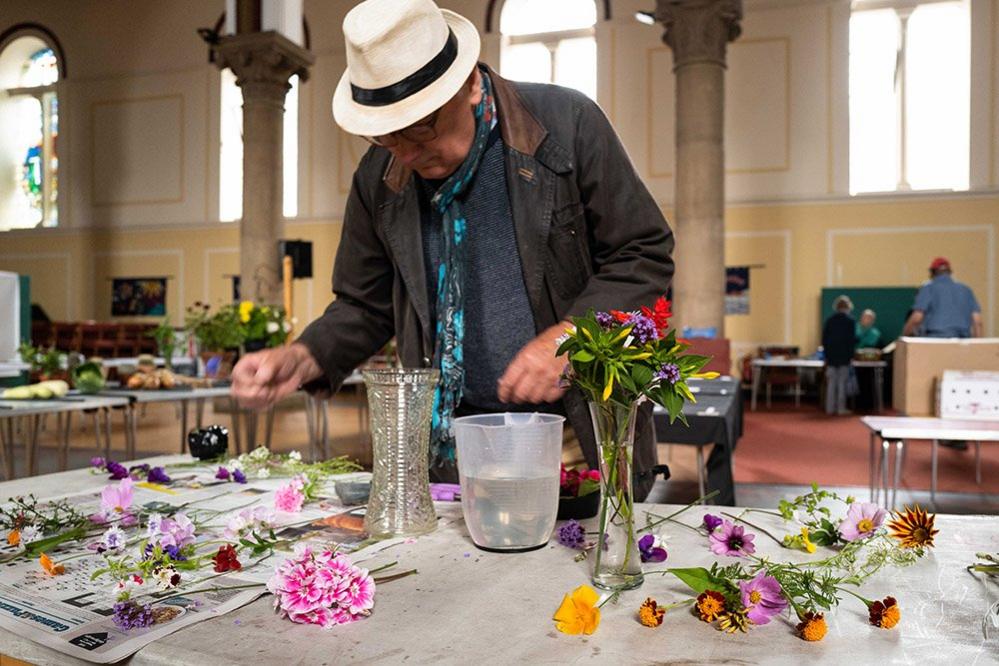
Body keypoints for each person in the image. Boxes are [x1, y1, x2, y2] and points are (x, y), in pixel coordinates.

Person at [230, 0, 675, 501]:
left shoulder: (566, 126)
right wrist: (305, 355)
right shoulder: (379, 176)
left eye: (421, 128)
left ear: (470, 84)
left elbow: (643, 252)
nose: (407, 154)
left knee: (574, 572)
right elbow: (363, 303)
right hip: (450, 444)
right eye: (386, 136)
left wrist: (571, 338)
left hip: (573, 430)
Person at [902, 257, 983, 338]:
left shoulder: (928, 288)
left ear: (932, 273)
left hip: (935, 340)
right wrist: (978, 345)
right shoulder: (966, 290)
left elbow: (917, 318)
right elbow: (977, 321)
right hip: (961, 342)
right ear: (950, 272)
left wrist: (904, 337)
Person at [822, 295, 857, 415]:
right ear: (848, 307)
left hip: (831, 357)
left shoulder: (829, 320)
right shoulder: (850, 321)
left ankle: (829, 408)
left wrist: (826, 356)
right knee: (842, 383)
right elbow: (851, 341)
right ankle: (841, 408)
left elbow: (824, 340)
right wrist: (851, 356)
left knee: (831, 383)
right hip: (844, 357)